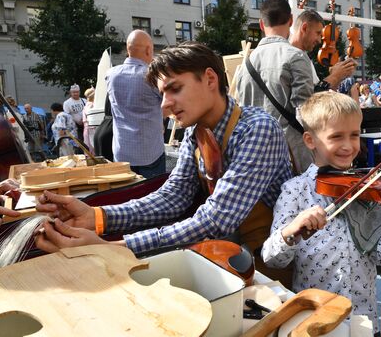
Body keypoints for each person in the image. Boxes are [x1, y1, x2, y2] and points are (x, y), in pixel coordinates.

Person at [34, 43, 293, 278]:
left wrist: (114, 248)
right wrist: (97, 216)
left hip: (270, 264)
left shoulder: (257, 129)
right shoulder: (196, 131)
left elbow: (215, 220)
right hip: (229, 255)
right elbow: (173, 196)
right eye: (162, 94)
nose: (164, 105)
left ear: (210, 79)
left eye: (175, 89)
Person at [261, 92, 381, 333]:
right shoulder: (295, 192)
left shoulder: (366, 188)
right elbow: (272, 259)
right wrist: (291, 231)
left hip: (363, 319)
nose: (348, 146)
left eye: (354, 135)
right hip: (315, 319)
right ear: (310, 140)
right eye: (336, 136)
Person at [237, 0, 314, 174]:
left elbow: (243, 110)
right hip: (291, 153)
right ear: (291, 21)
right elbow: (305, 110)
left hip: (255, 152)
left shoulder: (245, 64)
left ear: (261, 25)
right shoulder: (296, 57)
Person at [107, 30, 165, 179]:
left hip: (122, 151)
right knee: (152, 196)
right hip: (149, 152)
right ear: (148, 50)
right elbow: (168, 104)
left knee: (126, 195)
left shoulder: (111, 75)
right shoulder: (153, 76)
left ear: (128, 49)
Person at [289, 9, 357, 94]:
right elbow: (311, 97)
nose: (319, 41)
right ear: (304, 28)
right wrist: (336, 75)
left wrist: (339, 74)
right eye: (318, 33)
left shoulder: (302, 56)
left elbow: (321, 91)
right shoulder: (292, 56)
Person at [82, 87, 96, 155]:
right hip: (91, 129)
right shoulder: (91, 105)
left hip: (88, 128)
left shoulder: (86, 105)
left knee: (89, 148)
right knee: (93, 148)